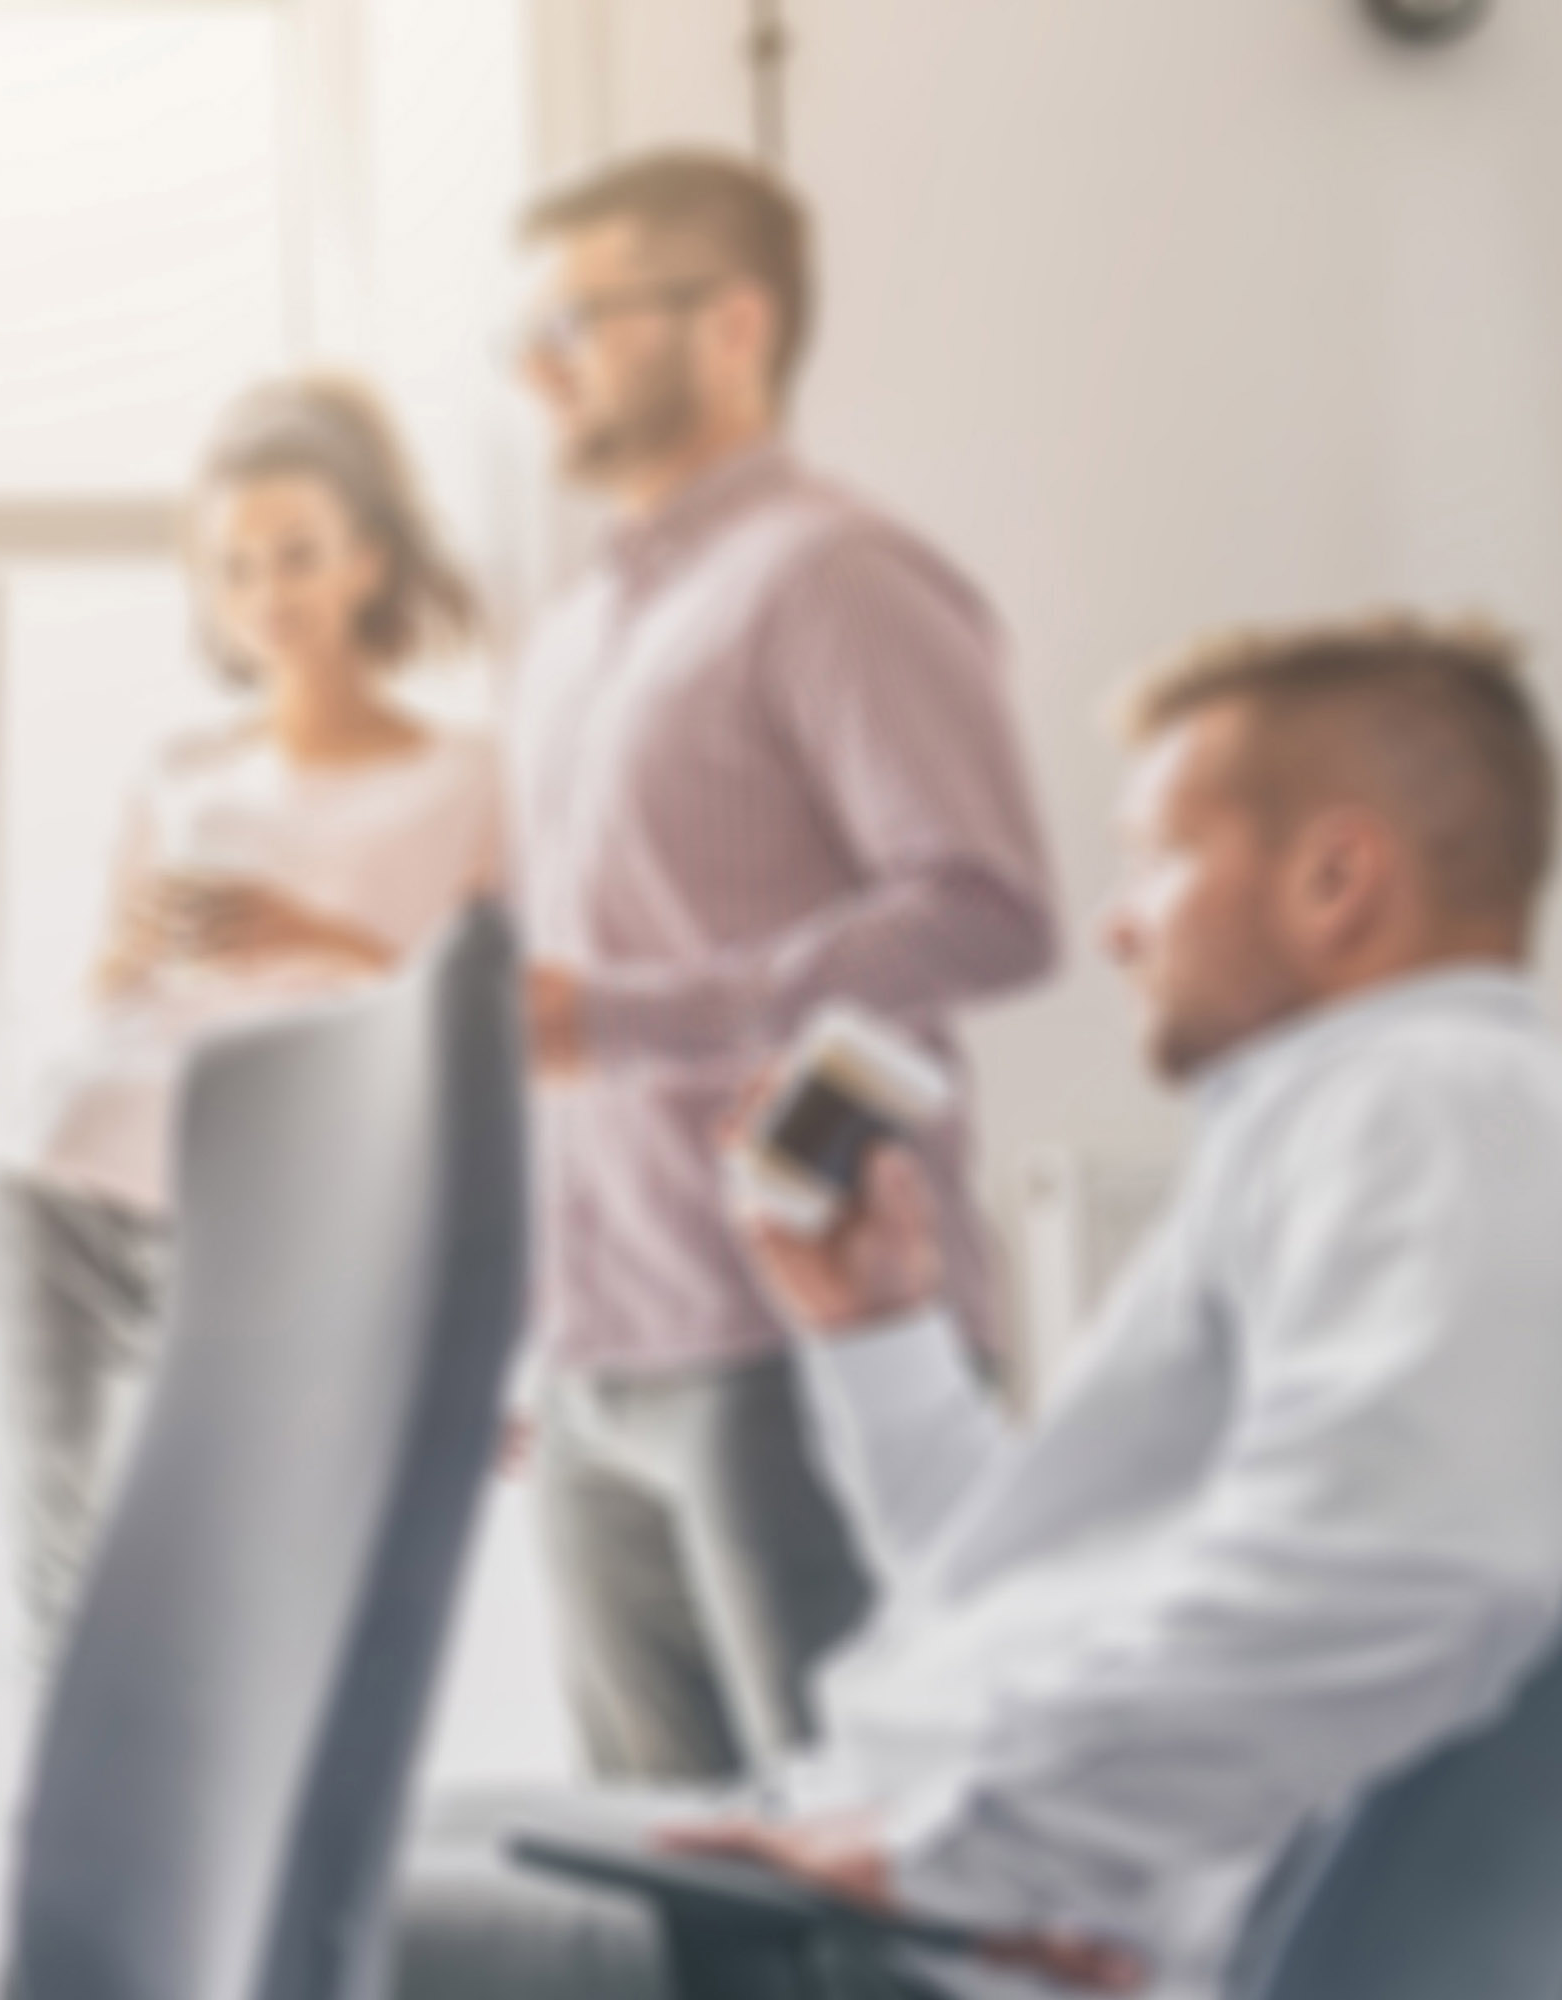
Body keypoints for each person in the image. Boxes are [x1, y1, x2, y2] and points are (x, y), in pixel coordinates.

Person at [392, 615, 1562, 2000]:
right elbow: (1012, 1598)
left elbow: (1412, 1563)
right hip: (908, 1869)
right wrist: (875, 1333)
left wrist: (956, 1856)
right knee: (382, 1842)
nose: (1117, 922)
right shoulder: (1385, 1126)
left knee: (241, 1928)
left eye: (1154, 860)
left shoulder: (1427, 1108)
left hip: (942, 1938)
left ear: (1334, 876)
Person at [498, 150, 1062, 1785]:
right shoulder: (568, 635)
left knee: (852, 1871)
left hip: (799, 1347)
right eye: (521, 334)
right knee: (659, 1897)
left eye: (574, 321)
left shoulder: (838, 579)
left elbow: (988, 908)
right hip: (600, 1368)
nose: (537, 367)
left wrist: (616, 1019)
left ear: (734, 324)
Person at [8, 373, 507, 1647]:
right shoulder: (176, 767)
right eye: (231, 569)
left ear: (367, 562)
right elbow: (109, 992)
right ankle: (73, 1847)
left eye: (295, 557)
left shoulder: (468, 775)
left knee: (271, 1586)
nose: (264, 596)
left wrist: (324, 937)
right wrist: (121, 956)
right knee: (68, 1583)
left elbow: (492, 1040)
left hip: (283, 1199)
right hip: (67, 1179)